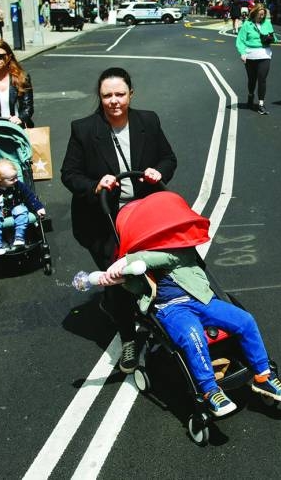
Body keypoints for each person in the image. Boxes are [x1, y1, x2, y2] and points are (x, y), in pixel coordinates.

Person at [94, 192, 281, 417]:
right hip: (170, 309)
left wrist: (128, 261)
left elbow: (167, 258)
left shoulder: (179, 247)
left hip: (201, 299)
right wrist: (122, 280)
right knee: (192, 335)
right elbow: (139, 290)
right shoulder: (138, 258)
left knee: (244, 320)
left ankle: (263, 376)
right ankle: (210, 390)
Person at [60, 67, 177, 374]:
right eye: (107, 95)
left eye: (120, 94)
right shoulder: (84, 129)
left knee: (158, 267)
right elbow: (69, 174)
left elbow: (168, 158)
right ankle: (127, 336)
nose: (114, 101)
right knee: (117, 278)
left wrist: (158, 172)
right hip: (102, 219)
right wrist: (95, 184)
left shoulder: (147, 121)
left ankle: (163, 320)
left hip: (142, 215)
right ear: (99, 98)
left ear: (131, 95)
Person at [0, 158, 46, 255]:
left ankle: (19, 236)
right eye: (12, 179)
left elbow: (29, 196)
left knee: (21, 209)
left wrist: (38, 207)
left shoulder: (18, 185)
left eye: (16, 176)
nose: (16, 180)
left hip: (14, 207)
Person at [236, 3, 276, 115]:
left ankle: (261, 104)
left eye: (263, 15)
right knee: (252, 79)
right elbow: (240, 40)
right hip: (251, 55)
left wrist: (271, 39)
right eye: (260, 14)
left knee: (262, 79)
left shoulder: (267, 23)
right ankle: (250, 95)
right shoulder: (247, 24)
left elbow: (274, 38)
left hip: (264, 54)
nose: (261, 17)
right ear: (254, 13)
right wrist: (242, 53)